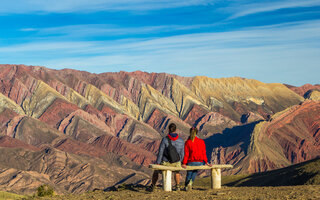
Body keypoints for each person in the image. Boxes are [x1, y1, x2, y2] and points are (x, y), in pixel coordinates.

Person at [150, 123, 184, 191]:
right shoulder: (181, 140)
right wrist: (181, 162)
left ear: (169, 130)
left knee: (156, 171)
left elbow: (160, 152)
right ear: (175, 130)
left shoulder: (165, 140)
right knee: (177, 171)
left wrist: (158, 163)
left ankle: (153, 185)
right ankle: (177, 186)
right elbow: (182, 153)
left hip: (166, 162)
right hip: (176, 163)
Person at [182, 127, 211, 191]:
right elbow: (204, 153)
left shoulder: (188, 142)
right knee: (194, 172)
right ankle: (191, 183)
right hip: (199, 162)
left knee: (189, 173)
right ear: (197, 132)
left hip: (191, 161)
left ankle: (186, 186)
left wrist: (184, 163)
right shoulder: (201, 141)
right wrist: (206, 162)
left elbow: (186, 154)